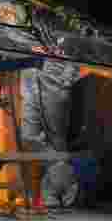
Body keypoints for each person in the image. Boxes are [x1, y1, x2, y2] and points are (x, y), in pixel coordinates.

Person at [20, 58, 82, 207]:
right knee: (28, 137)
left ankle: (56, 191)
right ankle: (65, 184)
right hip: (31, 77)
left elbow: (75, 48)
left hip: (56, 76)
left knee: (57, 139)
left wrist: (68, 77)